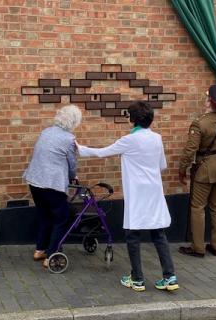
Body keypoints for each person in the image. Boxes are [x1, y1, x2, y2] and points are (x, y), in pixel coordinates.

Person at [77, 101, 179, 293]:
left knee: (133, 235)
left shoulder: (129, 140)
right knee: (159, 234)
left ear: (133, 119)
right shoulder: (157, 138)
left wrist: (79, 148)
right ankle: (169, 276)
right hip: (155, 192)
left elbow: (102, 153)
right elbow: (162, 165)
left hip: (138, 194)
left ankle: (137, 278)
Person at [178, 84, 216, 258]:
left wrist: (182, 170)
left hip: (206, 169)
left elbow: (190, 150)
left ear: (209, 102)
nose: (204, 100)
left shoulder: (200, 123)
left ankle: (198, 248)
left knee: (197, 208)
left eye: (206, 98)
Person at [23, 105, 82, 268]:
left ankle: (40, 250)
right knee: (61, 218)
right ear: (74, 122)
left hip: (35, 180)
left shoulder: (46, 131)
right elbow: (71, 164)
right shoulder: (69, 139)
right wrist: (72, 177)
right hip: (52, 184)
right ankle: (51, 255)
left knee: (44, 215)